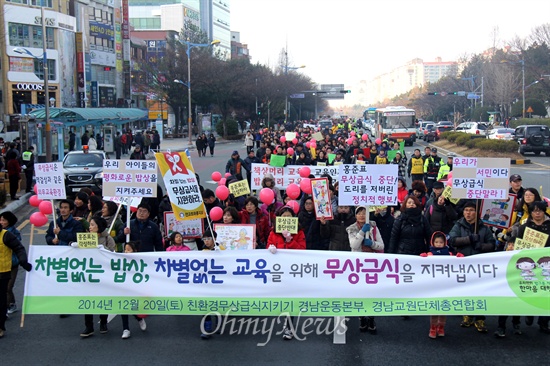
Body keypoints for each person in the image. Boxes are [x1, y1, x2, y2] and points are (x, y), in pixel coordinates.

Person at [449, 201, 495, 333]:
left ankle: (480, 318)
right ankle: (467, 315)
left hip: (479, 265)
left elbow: (492, 244)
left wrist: (481, 246)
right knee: (466, 291)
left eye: (471, 210)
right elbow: (452, 240)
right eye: (466, 210)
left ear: (476, 212)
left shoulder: (484, 228)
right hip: (463, 264)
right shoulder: (459, 225)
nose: (468, 213)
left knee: (480, 292)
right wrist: (469, 239)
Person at [267, 205, 306, 341]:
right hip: (278, 271)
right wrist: (270, 249)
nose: (286, 219)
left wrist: (290, 241)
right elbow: (268, 247)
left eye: (289, 217)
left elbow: (302, 249)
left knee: (291, 298)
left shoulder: (299, 232)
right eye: (284, 217)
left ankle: (289, 326)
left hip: (293, 270)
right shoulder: (273, 233)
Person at [346, 206, 384, 334]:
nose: (362, 216)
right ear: (355, 215)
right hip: (357, 264)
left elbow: (381, 245)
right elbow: (354, 245)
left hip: (372, 264)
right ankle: (361, 317)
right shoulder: (351, 229)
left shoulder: (373, 227)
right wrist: (362, 232)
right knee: (359, 292)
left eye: (364, 213)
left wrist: (372, 244)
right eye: (359, 213)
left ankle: (371, 318)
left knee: (372, 292)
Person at [420, 232, 462, 338]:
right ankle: (433, 327)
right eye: (436, 242)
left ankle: (441, 327)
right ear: (432, 242)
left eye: (441, 242)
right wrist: (421, 258)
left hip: (445, 286)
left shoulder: (450, 255)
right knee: (434, 308)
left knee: (443, 308)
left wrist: (460, 258)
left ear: (445, 243)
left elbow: (457, 263)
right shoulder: (429, 255)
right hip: (434, 287)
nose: (439, 244)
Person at [0, 216, 32, 338]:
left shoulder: (6, 235)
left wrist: (23, 262)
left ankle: (0, 326)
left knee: (1, 301)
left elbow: (19, 248)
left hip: (3, 273)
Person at [120, 242, 147, 339]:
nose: (126, 252)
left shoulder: (139, 261)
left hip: (134, 288)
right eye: (125, 250)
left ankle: (139, 318)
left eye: (128, 249)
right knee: (123, 307)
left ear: (134, 251)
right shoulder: (120, 260)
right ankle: (126, 329)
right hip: (123, 288)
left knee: (133, 307)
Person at [0, 211, 22, 316]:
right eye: (0, 219)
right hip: (1, 265)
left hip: (12, 264)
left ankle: (8, 307)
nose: (1, 222)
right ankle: (10, 304)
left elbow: (17, 246)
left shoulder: (14, 233)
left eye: (4, 220)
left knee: (8, 287)